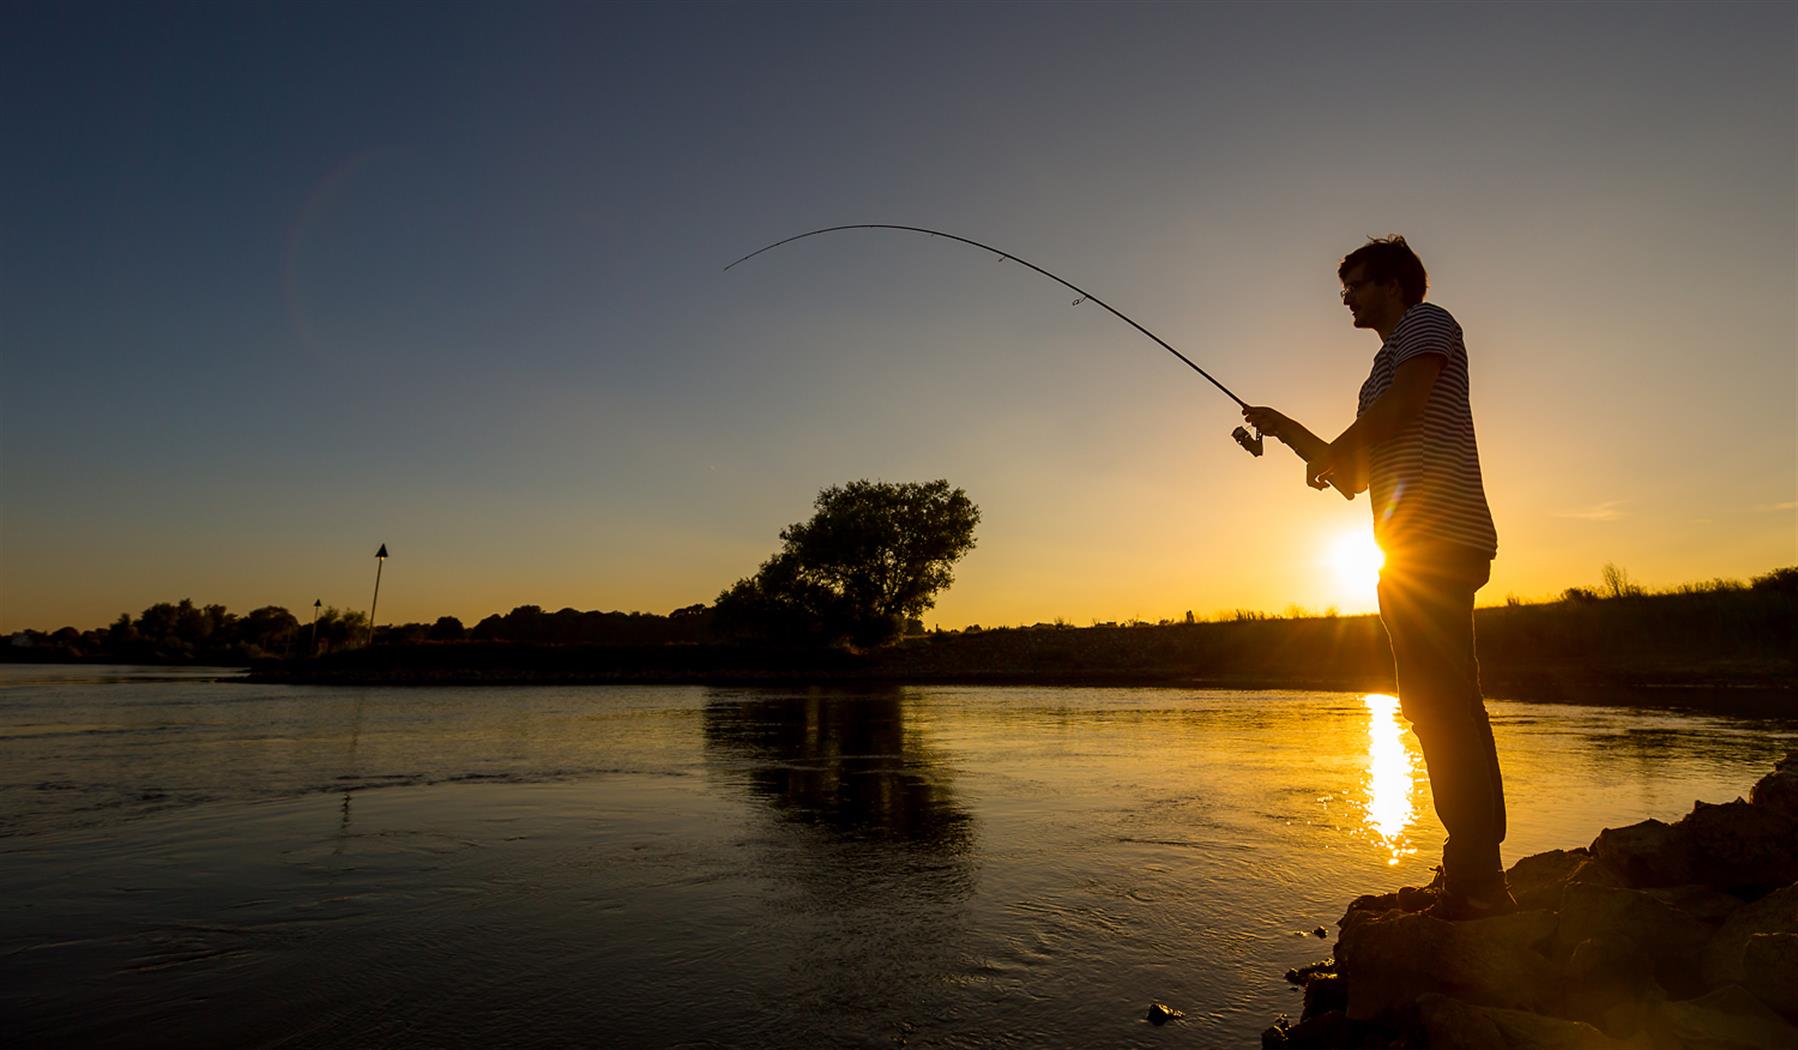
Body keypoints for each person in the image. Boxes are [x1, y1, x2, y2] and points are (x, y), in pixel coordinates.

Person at [1243, 236, 1512, 920]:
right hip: (1410, 548)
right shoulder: (1376, 372)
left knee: (1437, 705)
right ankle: (1479, 871)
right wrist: (1288, 431)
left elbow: (1409, 407)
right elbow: (1354, 479)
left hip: (1438, 540)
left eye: (1356, 286)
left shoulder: (1426, 323)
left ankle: (1476, 880)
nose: (1347, 299)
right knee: (1450, 703)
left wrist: (1336, 445)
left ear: (1394, 284)